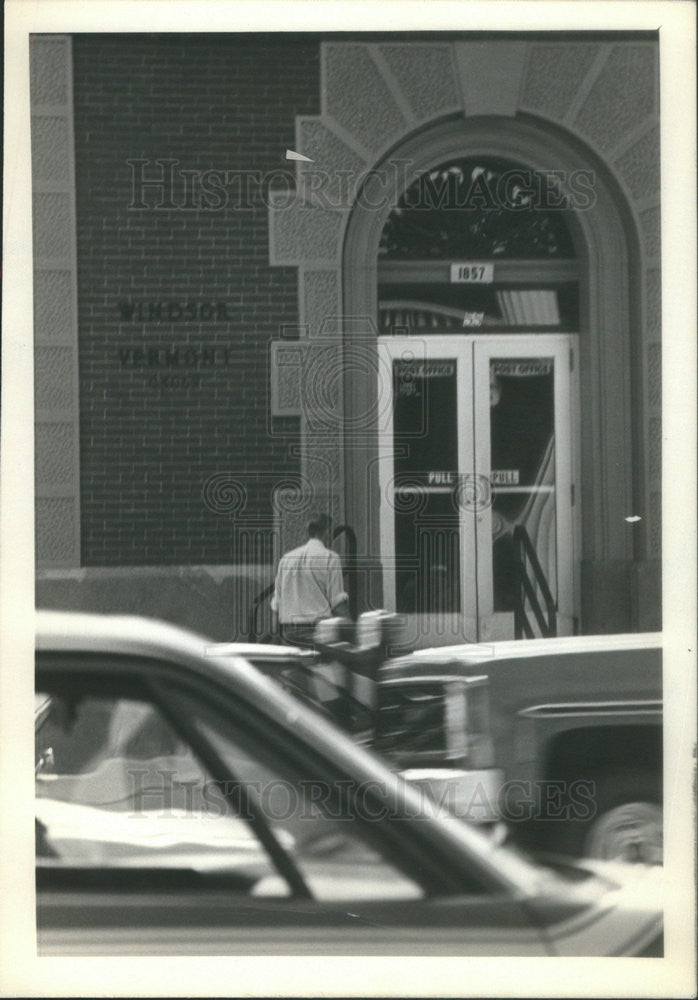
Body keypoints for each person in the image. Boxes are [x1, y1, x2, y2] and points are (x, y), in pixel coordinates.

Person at [270, 513, 349, 647]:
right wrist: (351, 630)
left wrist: (275, 638)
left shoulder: (286, 559)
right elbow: (337, 604)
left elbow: (276, 605)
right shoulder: (331, 558)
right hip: (318, 632)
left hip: (289, 633)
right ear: (328, 531)